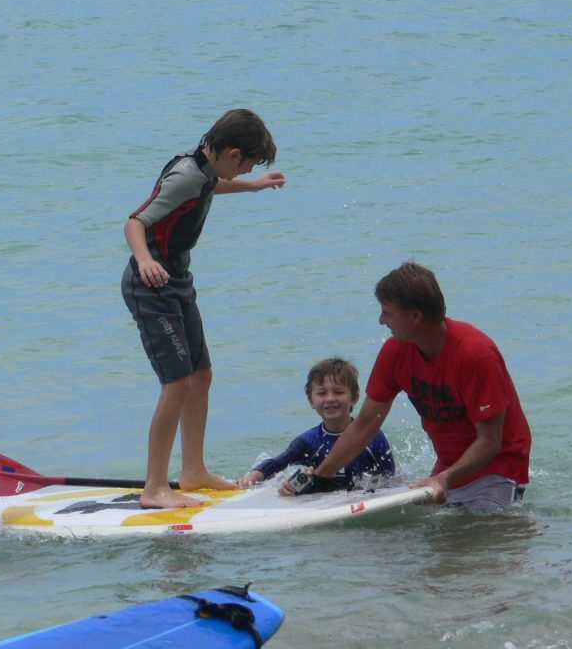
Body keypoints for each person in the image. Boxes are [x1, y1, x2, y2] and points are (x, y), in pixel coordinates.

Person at [121, 108, 286, 509]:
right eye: (248, 162)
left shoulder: (203, 167)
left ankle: (193, 469)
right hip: (151, 287)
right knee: (176, 384)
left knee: (202, 375)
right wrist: (144, 260)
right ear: (232, 153)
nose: (248, 167)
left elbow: (211, 187)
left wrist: (253, 185)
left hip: (177, 282)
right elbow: (135, 222)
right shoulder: (186, 175)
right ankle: (154, 488)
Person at [283, 262, 531, 510]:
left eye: (387, 312)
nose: (381, 320)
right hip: (448, 469)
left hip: (498, 468)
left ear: (415, 316)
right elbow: (364, 426)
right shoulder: (395, 352)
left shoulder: (475, 355)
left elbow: (490, 440)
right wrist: (318, 479)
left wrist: (444, 478)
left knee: (481, 540)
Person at [236, 357, 395, 489]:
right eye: (321, 393)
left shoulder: (372, 437)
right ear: (311, 400)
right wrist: (249, 479)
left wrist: (368, 487)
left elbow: (391, 477)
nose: (330, 398)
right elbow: (276, 464)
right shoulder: (308, 442)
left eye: (338, 392)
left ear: (354, 398)